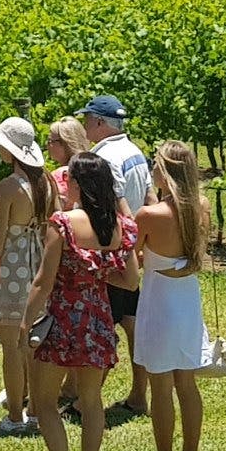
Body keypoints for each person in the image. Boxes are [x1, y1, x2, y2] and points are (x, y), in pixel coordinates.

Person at [24, 153, 136, 451]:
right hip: (98, 317)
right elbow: (130, 281)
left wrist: (25, 324)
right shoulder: (118, 225)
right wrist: (97, 274)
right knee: (91, 400)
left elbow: (44, 280)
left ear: (76, 183)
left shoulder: (63, 222)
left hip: (63, 317)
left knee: (44, 402)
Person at [134, 142, 212, 451]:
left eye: (155, 165)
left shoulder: (149, 215)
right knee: (187, 383)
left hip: (159, 300)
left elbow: (133, 255)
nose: (151, 171)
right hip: (187, 301)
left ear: (165, 171)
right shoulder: (202, 207)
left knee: (160, 385)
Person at [0, 116, 48, 435]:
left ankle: (15, 417)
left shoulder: (7, 187)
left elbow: (1, 236)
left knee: (10, 344)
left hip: (13, 265)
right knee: (32, 342)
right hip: (37, 264)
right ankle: (35, 411)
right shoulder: (45, 183)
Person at [79, 95, 149, 413]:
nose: (84, 125)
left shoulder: (102, 157)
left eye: (88, 119)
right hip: (131, 249)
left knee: (103, 325)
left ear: (100, 123)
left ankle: (86, 400)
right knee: (133, 323)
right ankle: (138, 393)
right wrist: (141, 243)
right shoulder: (135, 151)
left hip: (111, 251)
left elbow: (113, 204)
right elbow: (148, 197)